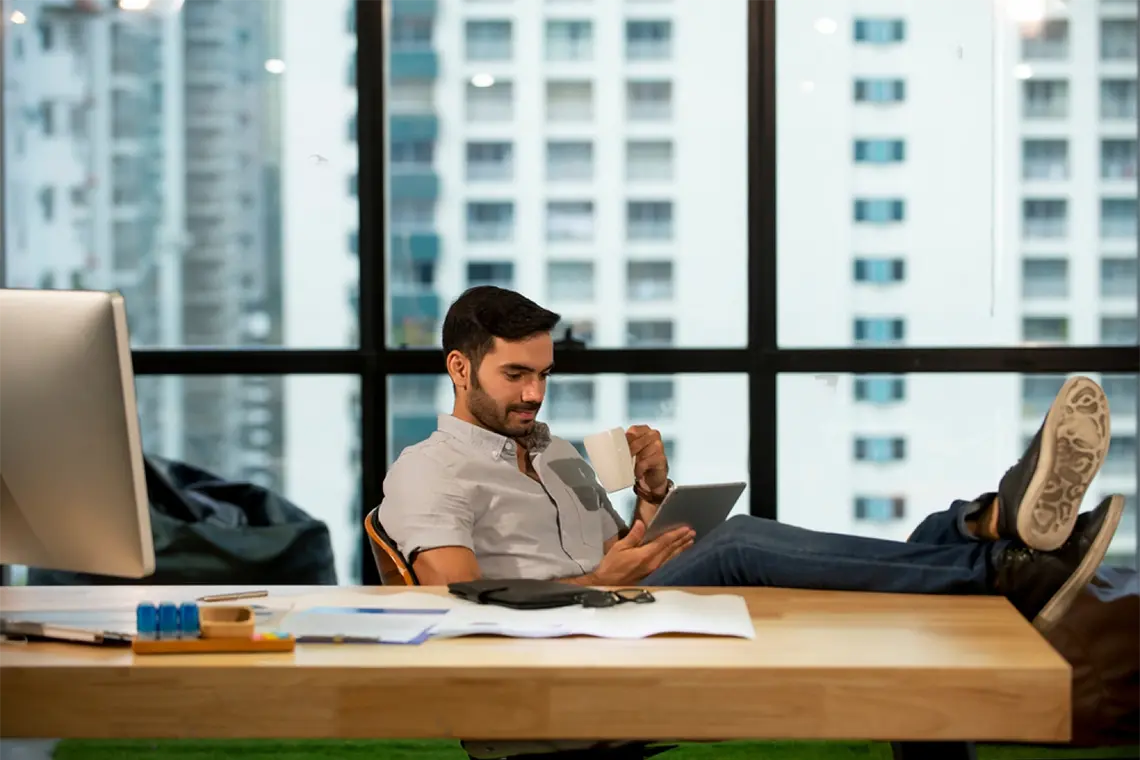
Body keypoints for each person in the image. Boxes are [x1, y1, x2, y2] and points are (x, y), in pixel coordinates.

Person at [380, 286, 1123, 633]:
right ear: (459, 368)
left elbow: (627, 550)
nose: (535, 394)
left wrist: (653, 495)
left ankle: (989, 526)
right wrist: (595, 583)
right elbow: (453, 600)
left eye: (544, 375)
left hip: (618, 604)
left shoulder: (558, 453)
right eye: (516, 375)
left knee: (918, 538)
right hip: (560, 632)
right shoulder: (429, 468)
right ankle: (1001, 564)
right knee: (738, 544)